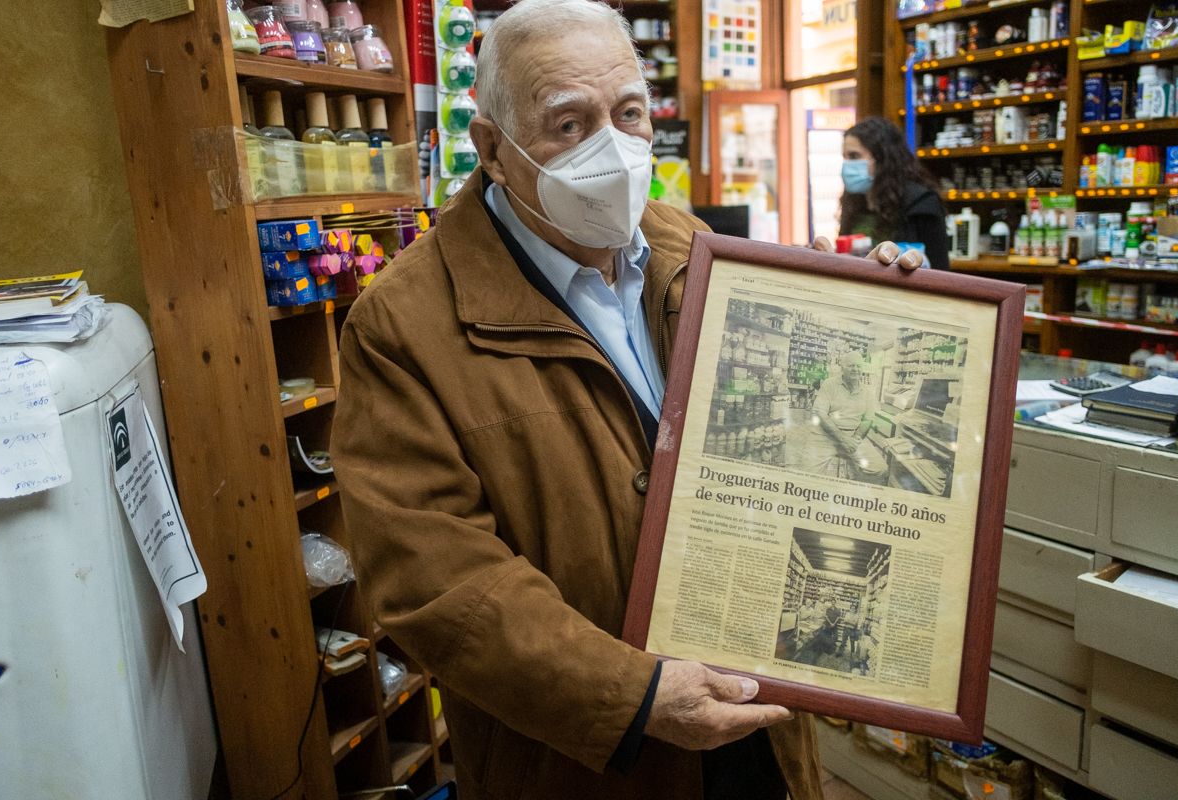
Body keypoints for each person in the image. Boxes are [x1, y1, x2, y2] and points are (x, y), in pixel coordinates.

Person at [330, 2, 921, 798]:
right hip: (588, 759)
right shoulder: (403, 325)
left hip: (760, 729)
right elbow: (433, 581)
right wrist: (632, 696)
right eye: (568, 124)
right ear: (493, 150)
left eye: (628, 112)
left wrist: (863, 324)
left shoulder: (700, 253)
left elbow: (793, 451)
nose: (612, 146)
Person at [839, 116, 950, 270]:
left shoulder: (922, 203)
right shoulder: (853, 202)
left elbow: (940, 271)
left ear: (882, 157)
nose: (847, 165)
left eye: (854, 156)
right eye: (844, 157)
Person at [804, 350, 889, 483]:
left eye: (858, 366)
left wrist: (855, 439)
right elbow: (819, 413)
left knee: (880, 468)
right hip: (825, 435)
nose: (855, 369)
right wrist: (843, 439)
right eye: (851, 366)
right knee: (808, 474)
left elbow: (867, 420)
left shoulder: (868, 392)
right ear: (842, 368)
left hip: (853, 437)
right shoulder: (829, 384)